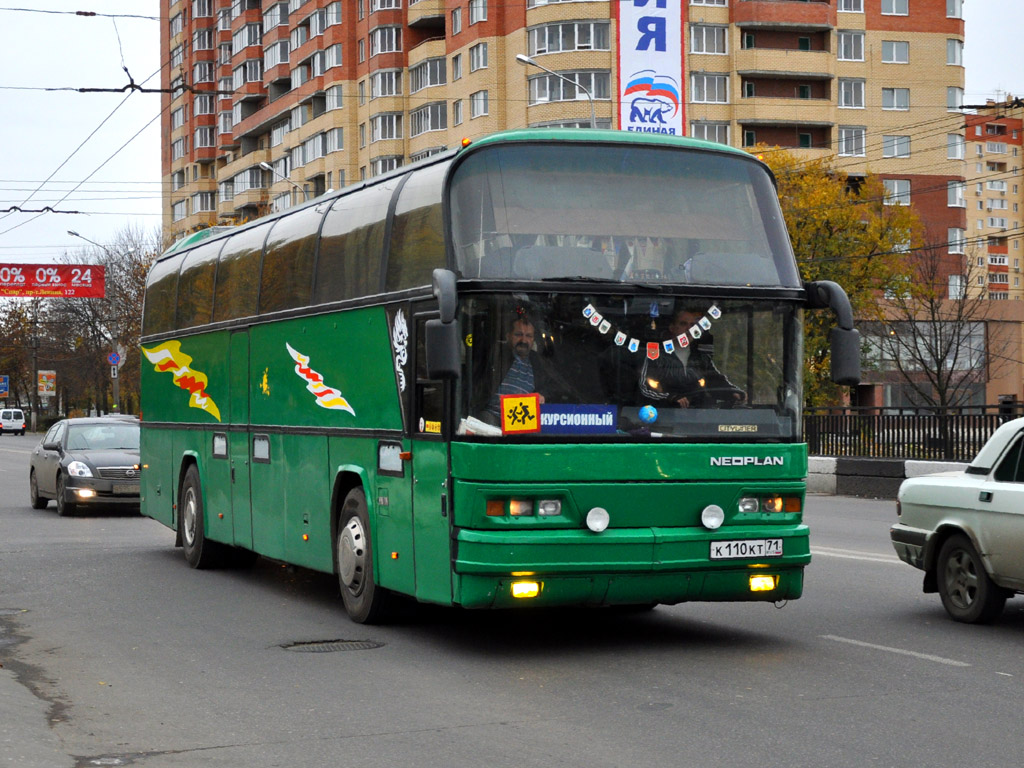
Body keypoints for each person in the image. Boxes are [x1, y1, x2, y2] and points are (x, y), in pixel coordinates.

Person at [640, 307, 745, 408]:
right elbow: (645, 387)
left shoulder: (701, 357)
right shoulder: (655, 354)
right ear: (672, 328)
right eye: (683, 324)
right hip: (663, 417)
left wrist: (732, 392)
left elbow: (714, 380)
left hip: (697, 418)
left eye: (693, 325)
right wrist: (670, 397)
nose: (689, 329)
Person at [486, 315, 566, 417]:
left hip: (522, 424)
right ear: (508, 336)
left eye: (528, 336)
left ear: (533, 340)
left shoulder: (539, 362)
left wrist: (543, 395)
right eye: (518, 334)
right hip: (491, 419)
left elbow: (559, 384)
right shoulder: (496, 354)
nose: (523, 340)